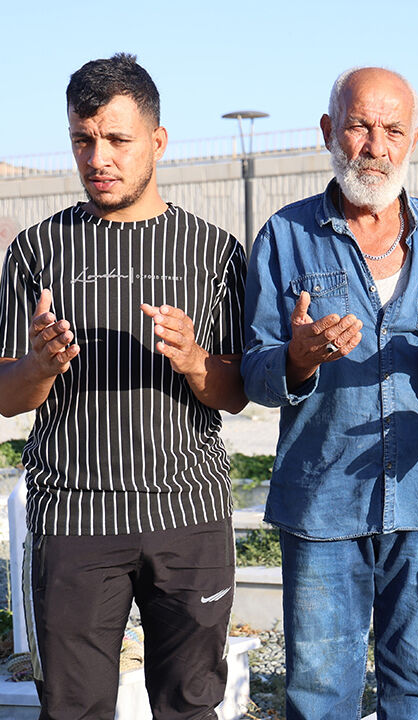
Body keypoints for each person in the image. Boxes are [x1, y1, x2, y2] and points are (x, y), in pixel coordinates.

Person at [0, 53, 247, 719]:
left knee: (191, 706)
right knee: (74, 708)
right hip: (74, 520)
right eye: (83, 140)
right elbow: (6, 396)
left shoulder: (215, 253)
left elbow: (235, 390)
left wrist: (195, 359)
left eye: (116, 139)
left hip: (187, 517)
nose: (97, 157)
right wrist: (40, 367)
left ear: (158, 141)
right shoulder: (36, 254)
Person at [241, 67, 418, 719]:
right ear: (330, 130)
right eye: (358, 125)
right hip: (321, 503)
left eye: (392, 129)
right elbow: (255, 370)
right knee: (320, 693)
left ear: (414, 140)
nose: (374, 144)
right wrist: (296, 358)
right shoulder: (284, 237)